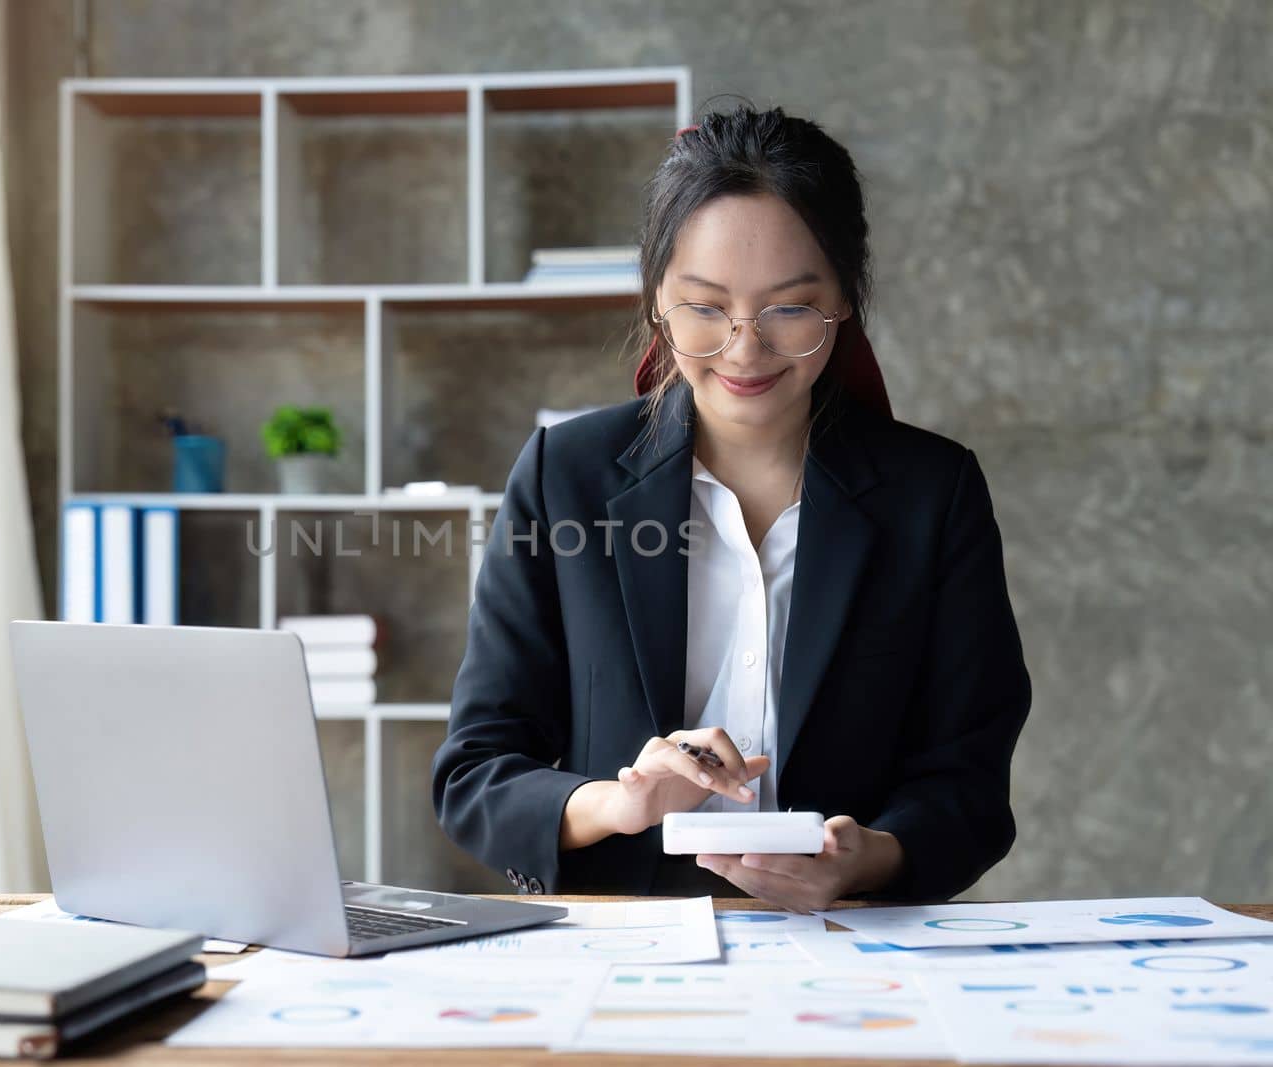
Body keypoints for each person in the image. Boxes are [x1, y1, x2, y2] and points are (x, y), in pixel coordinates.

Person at [431, 102, 1032, 910]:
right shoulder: (564, 477)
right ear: (654, 300)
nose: (745, 348)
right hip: (619, 943)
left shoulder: (933, 493)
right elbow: (477, 772)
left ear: (845, 299)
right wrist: (620, 801)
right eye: (706, 307)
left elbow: (969, 781)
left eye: (789, 307)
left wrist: (870, 856)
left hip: (852, 944)